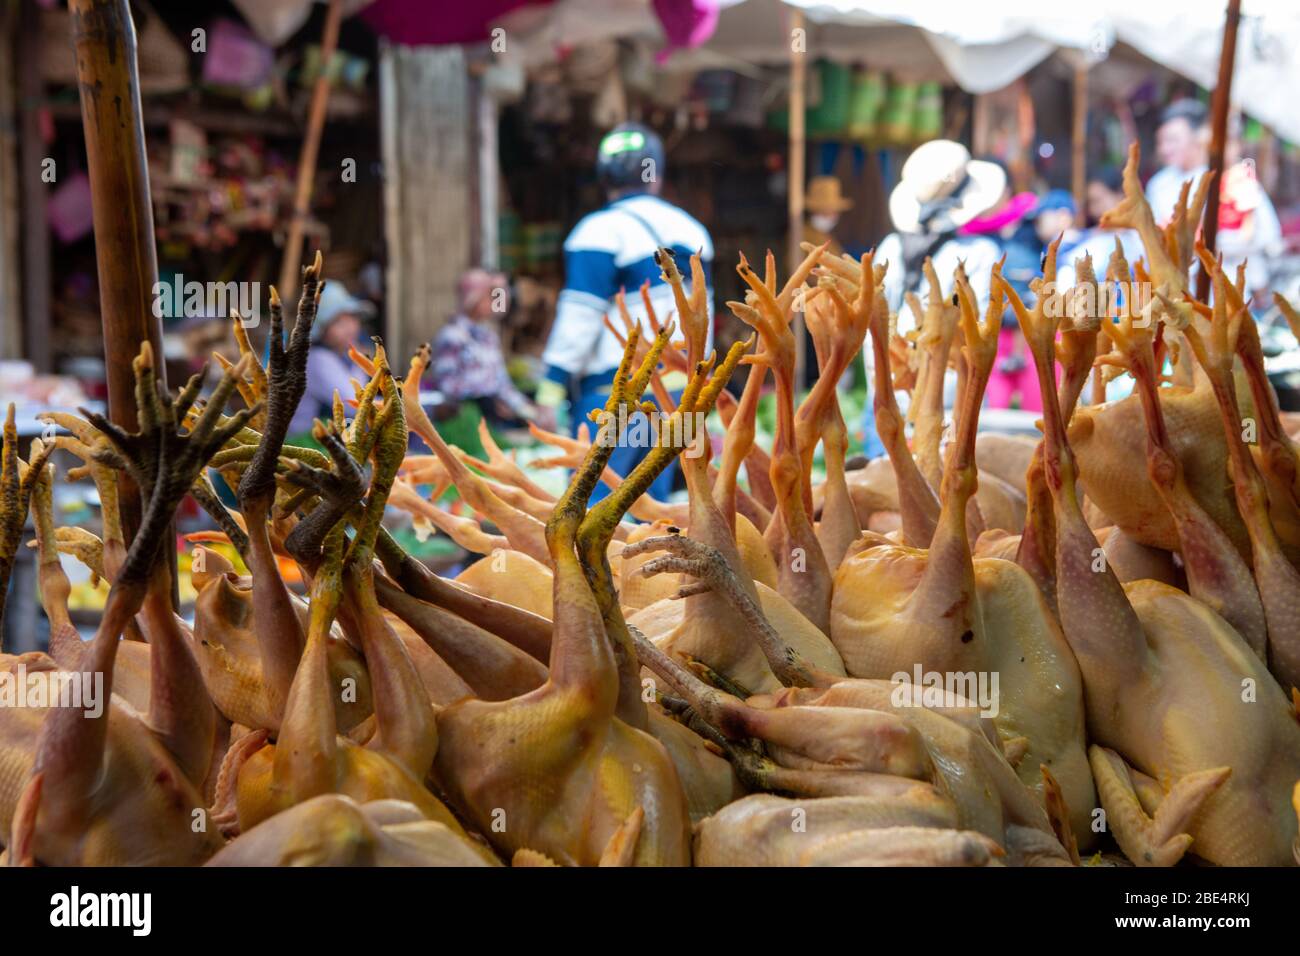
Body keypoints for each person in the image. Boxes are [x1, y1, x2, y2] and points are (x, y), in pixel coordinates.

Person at [540, 122, 713, 503]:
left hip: (615, 397)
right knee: (652, 516)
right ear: (657, 175)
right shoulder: (693, 229)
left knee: (592, 516)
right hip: (676, 400)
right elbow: (704, 316)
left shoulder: (598, 231)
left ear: (604, 176)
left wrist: (552, 383)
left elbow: (580, 316)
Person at [875, 140, 1006, 333]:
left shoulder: (890, 246)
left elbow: (875, 320)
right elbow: (980, 327)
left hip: (891, 358)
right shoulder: (981, 252)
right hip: (949, 361)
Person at [429, 268, 550, 445]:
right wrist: (485, 394)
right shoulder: (452, 336)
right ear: (475, 298)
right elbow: (447, 386)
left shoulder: (488, 336)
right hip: (466, 426)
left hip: (493, 422)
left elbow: (501, 381)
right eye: (491, 294)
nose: (498, 300)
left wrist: (526, 409)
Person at [287, 280, 375, 440]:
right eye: (339, 323)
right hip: (306, 441)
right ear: (322, 331)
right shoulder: (318, 359)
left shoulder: (340, 354)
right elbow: (354, 405)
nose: (350, 328)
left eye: (352, 319)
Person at [1146, 99, 1209, 225]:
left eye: (1172, 140)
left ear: (1200, 136)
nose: (1164, 149)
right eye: (1160, 142)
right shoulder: (1158, 184)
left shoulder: (1222, 180)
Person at [802, 175, 853, 257]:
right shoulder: (803, 235)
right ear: (815, 210)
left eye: (835, 211)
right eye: (829, 211)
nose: (834, 216)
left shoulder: (826, 235)